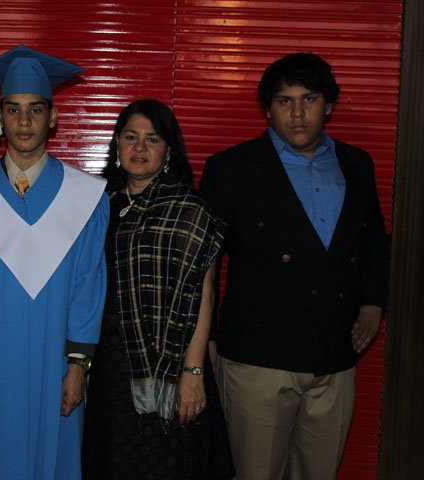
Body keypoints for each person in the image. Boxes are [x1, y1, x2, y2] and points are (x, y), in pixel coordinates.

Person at [198, 52, 390, 480]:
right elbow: (203, 265)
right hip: (258, 357)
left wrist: (372, 304)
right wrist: (203, 345)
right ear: (268, 108)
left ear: (329, 105)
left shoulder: (357, 164)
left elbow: (374, 241)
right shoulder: (231, 168)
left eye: (310, 99)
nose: (298, 113)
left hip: (335, 352)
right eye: (285, 101)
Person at [0, 45, 109, 480]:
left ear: (53, 117)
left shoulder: (85, 198)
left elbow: (87, 290)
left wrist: (78, 367)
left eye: (36, 110)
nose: (24, 121)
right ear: (0, 117)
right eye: (13, 110)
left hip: (54, 367)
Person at [81, 99, 235, 480]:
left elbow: (204, 296)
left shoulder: (190, 210)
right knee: (114, 465)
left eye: (152, 139)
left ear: (168, 150)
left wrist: (193, 371)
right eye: (130, 137)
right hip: (113, 368)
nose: (140, 148)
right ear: (117, 144)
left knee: (167, 465)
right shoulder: (100, 206)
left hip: (172, 367)